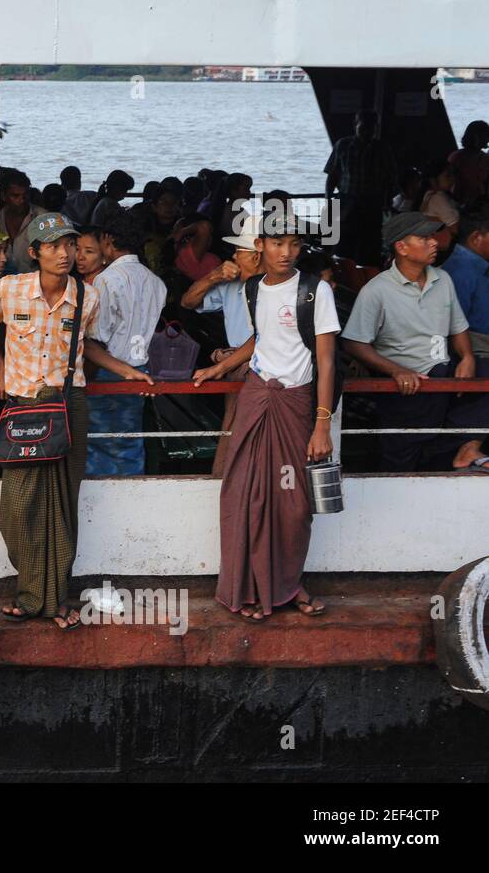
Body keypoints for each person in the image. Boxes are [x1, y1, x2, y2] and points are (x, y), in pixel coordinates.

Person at [0, 214, 153, 628]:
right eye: (53, 246)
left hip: (68, 405)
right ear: (34, 253)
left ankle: (47, 600)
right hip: (24, 407)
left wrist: (125, 370)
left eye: (69, 245)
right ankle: (37, 591)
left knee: (63, 507)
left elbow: (88, 348)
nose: (64, 253)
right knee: (16, 511)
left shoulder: (88, 296)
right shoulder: (8, 290)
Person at [193, 211, 339, 621]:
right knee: (243, 494)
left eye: (294, 244)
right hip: (257, 397)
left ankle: (288, 586)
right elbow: (259, 339)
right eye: (277, 244)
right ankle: (248, 589)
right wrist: (219, 369)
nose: (287, 252)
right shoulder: (253, 288)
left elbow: (326, 362)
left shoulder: (315, 292)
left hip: (296, 402)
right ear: (260, 247)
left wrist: (322, 423)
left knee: (294, 503)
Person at [341, 212, 489, 473]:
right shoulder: (377, 291)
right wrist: (396, 370)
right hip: (407, 387)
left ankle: (467, 444)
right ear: (402, 247)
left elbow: (458, 327)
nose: (434, 242)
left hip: (443, 374)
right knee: (402, 459)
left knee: (478, 373)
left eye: (432, 237)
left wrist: (466, 357)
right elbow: (354, 344)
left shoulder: (442, 280)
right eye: (424, 238)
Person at [180, 215, 264, 475]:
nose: (234, 258)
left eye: (239, 252)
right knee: (234, 435)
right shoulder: (231, 285)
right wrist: (213, 276)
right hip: (237, 368)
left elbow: (264, 336)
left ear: (256, 256)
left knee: (257, 440)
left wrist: (218, 368)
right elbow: (187, 302)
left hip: (263, 371)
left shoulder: (276, 288)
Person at [85, 216, 167, 477]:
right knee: (130, 439)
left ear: (108, 241)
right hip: (141, 369)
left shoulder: (106, 280)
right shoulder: (156, 282)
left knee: (98, 442)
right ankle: (133, 498)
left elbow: (97, 335)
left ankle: (100, 504)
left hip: (108, 369)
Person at [324, 110, 397, 266]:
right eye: (364, 127)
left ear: (376, 128)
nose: (367, 131)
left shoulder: (382, 149)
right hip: (347, 201)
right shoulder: (342, 146)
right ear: (355, 125)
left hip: (372, 203)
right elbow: (332, 175)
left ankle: (367, 274)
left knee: (370, 244)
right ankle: (345, 274)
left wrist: (386, 203)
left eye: (371, 128)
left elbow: (390, 180)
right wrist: (329, 200)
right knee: (344, 242)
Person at [442, 198, 489, 356]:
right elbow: (453, 328)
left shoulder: (477, 266)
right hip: (478, 351)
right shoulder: (460, 272)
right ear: (476, 238)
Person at [0, 169, 40, 275]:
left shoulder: (43, 219)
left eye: (25, 195)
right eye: (15, 196)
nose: (22, 200)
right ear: (3, 196)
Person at [416, 157, 460, 241]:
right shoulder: (437, 198)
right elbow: (455, 229)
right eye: (448, 176)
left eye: (453, 174)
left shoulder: (429, 194)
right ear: (433, 180)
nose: (453, 179)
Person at [448, 120, 489, 205]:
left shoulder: (485, 158)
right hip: (459, 202)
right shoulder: (457, 157)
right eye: (485, 136)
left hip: (480, 201)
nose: (487, 139)